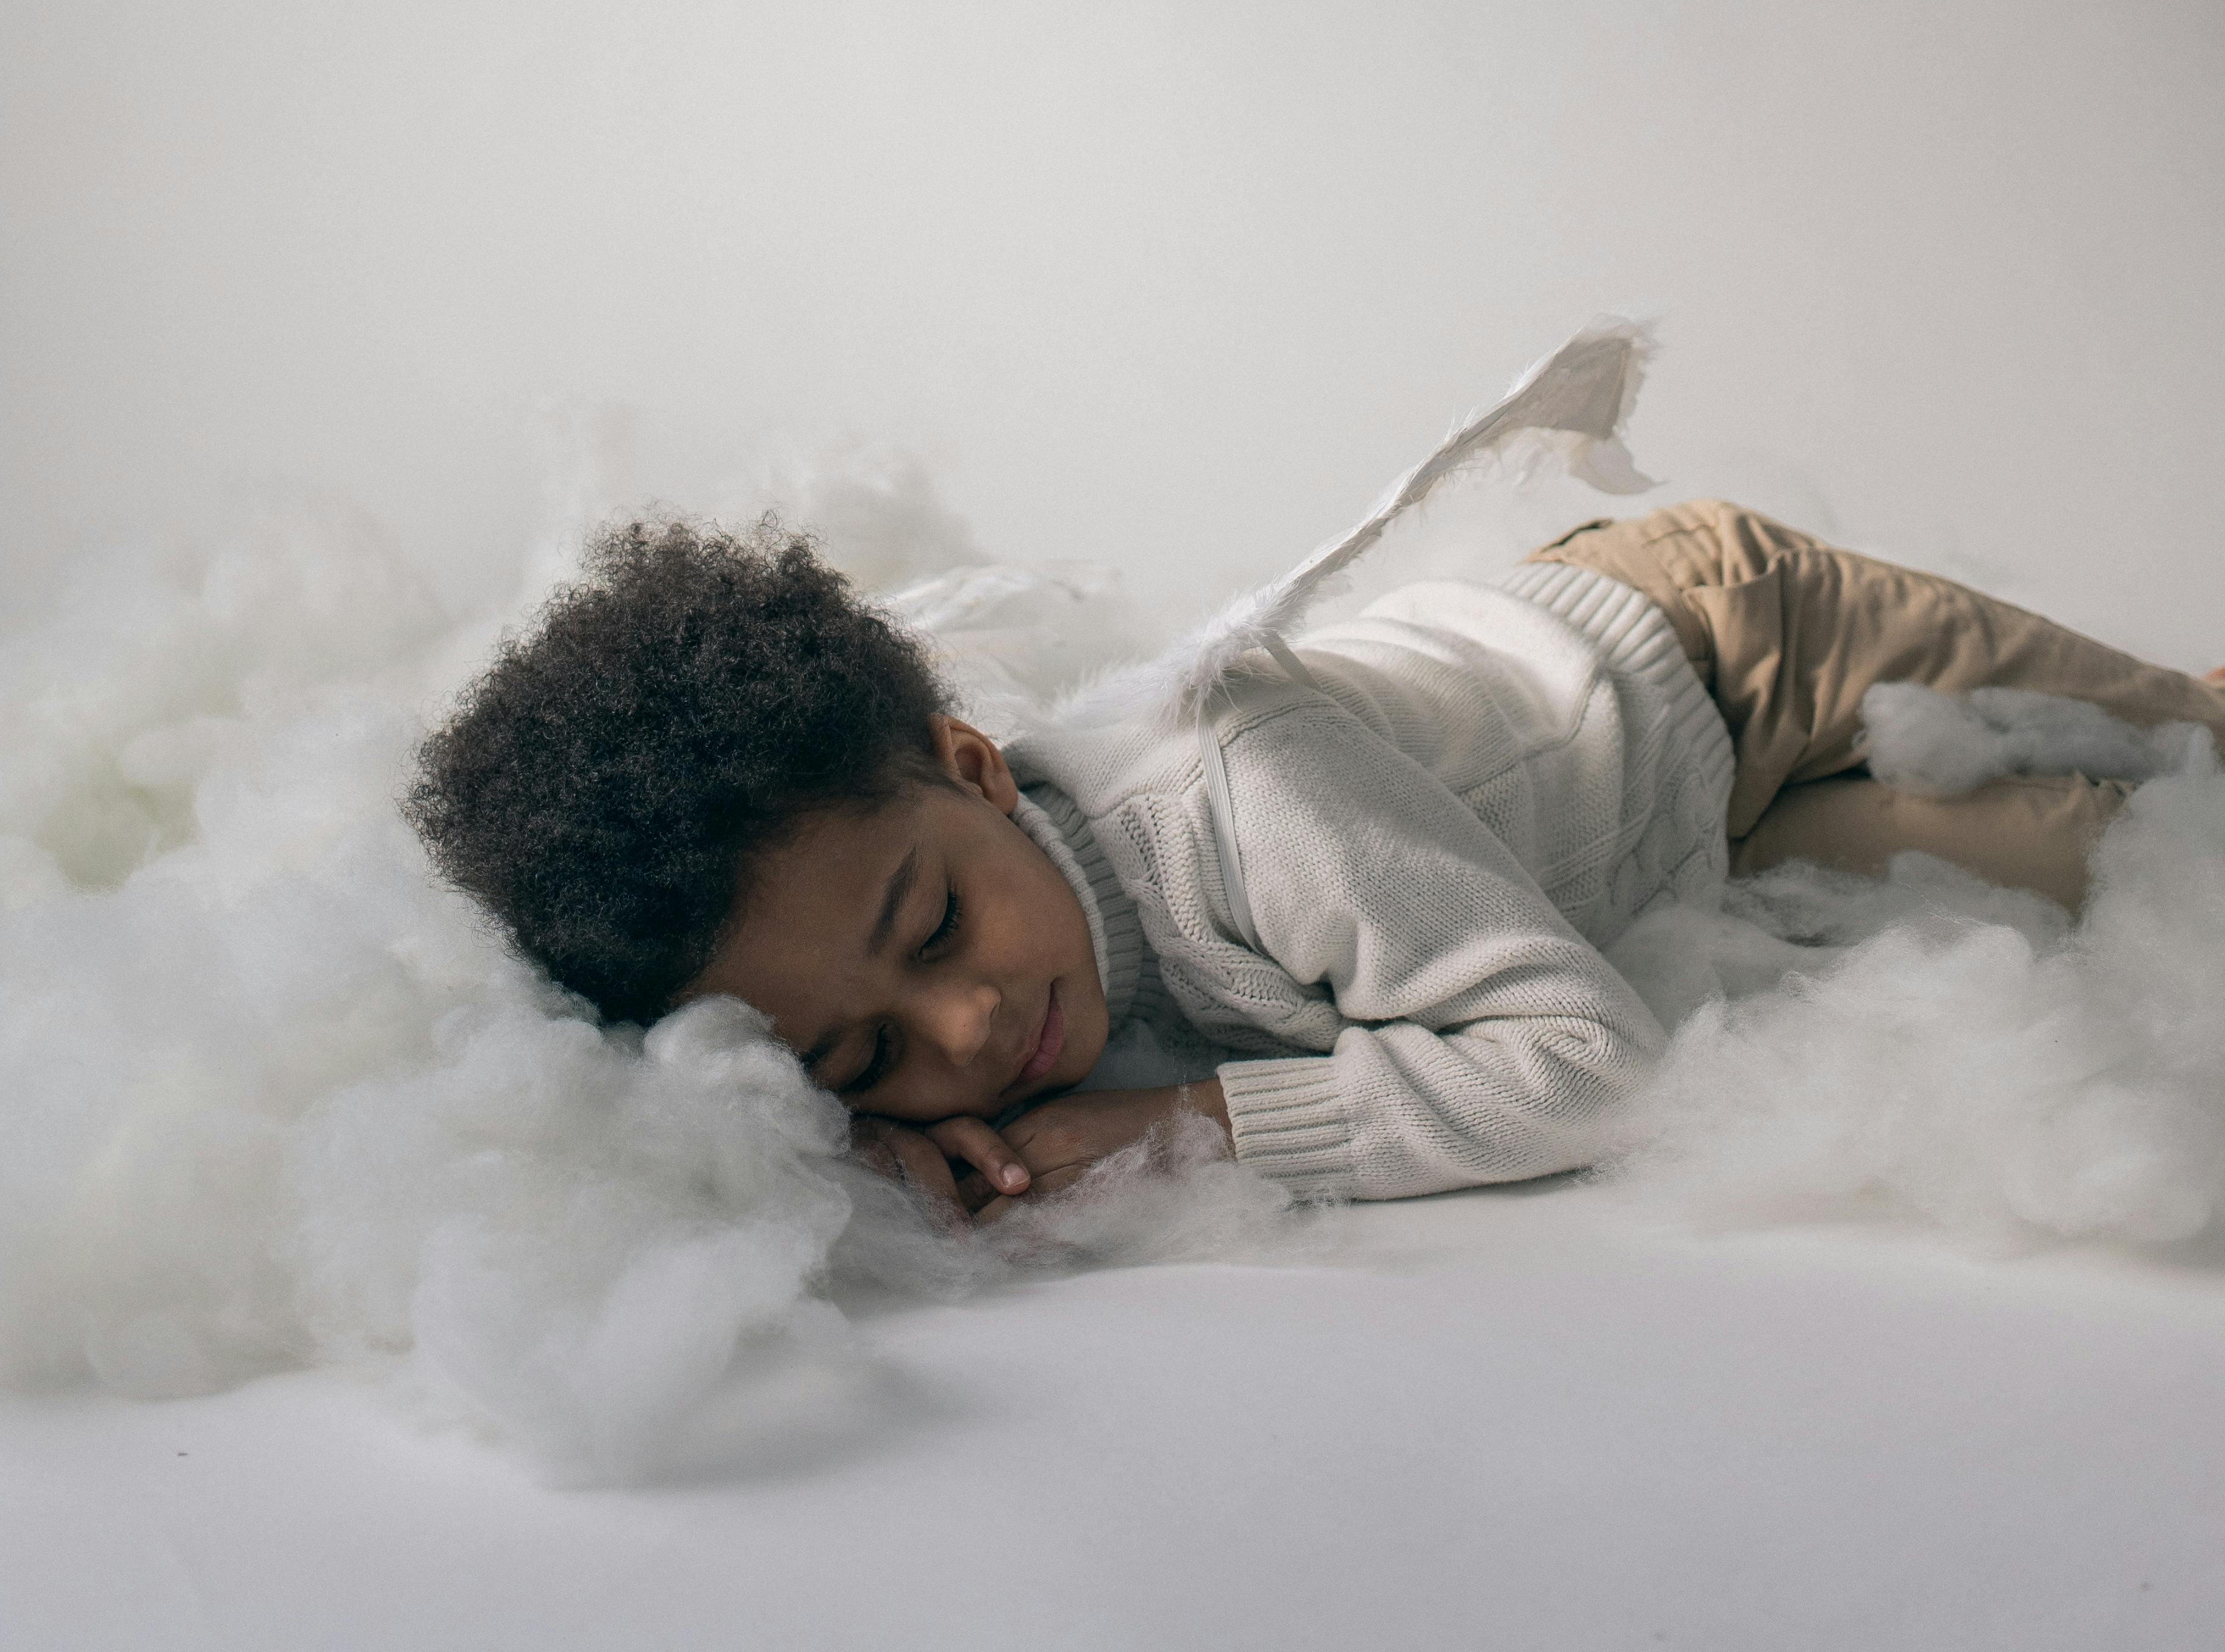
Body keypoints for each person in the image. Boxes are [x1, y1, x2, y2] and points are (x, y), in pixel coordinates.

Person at [406, 500, 2225, 1222]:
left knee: (2189, 771)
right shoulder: (924, 956)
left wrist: (1164, 1127)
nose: (967, 1032)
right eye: (865, 1050)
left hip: (1732, 646)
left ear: (976, 768)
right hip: (1676, 840)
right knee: (2083, 871)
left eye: (938, 925)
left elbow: (1589, 1068)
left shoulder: (1236, 795)